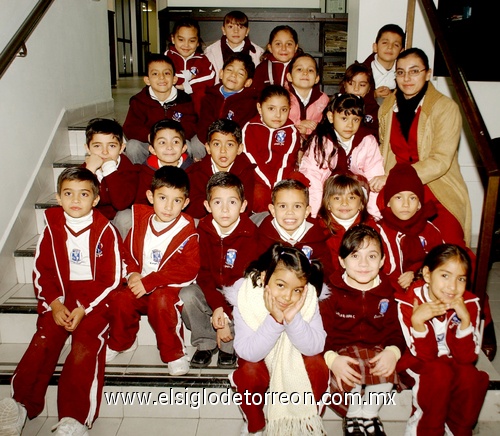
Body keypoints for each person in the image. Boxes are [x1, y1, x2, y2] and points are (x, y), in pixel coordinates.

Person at [0, 167, 122, 436]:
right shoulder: (51, 228)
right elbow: (42, 271)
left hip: (93, 301)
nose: (75, 200)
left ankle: (73, 418)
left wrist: (83, 307)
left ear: (96, 198)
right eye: (68, 194)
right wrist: (54, 304)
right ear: (58, 197)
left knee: (83, 347)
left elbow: (111, 279)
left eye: (83, 194)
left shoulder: (105, 230)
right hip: (59, 297)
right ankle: (20, 404)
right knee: (44, 338)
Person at [370, 47, 472, 248]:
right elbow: (383, 150)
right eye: (400, 72)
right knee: (381, 241)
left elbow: (441, 161)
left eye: (414, 71)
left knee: (449, 245)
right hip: (396, 187)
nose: (407, 78)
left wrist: (394, 178)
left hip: (435, 186)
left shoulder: (445, 108)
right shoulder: (388, 106)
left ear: (428, 73)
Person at [105, 166, 200, 376]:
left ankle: (174, 354)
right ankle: (122, 342)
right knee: (120, 299)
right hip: (141, 284)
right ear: (151, 196)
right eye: (163, 198)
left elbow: (188, 269)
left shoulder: (187, 231)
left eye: (177, 201)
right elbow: (127, 253)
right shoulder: (141, 221)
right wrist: (132, 274)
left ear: (185, 203)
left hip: (168, 289)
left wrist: (151, 281)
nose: (168, 206)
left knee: (161, 301)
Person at [226, 243, 329, 435]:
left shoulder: (308, 297)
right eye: (280, 285)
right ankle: (255, 425)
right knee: (249, 372)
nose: (288, 296)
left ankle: (305, 423)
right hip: (260, 357)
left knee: (317, 367)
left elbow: (315, 346)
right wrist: (274, 320)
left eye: (297, 289)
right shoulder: (247, 295)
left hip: (294, 358)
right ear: (265, 278)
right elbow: (248, 351)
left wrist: (293, 318)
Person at [395, 244, 489, 435]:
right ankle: (425, 428)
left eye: (461, 279)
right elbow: (424, 355)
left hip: (453, 361)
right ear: (428, 275)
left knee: (471, 378)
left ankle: (458, 428)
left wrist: (465, 322)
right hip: (418, 362)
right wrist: (418, 322)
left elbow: (467, 357)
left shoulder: (469, 303)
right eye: (445, 275)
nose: (452, 287)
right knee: (438, 374)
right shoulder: (408, 302)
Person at [320, 224, 405, 436]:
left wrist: (392, 353)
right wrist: (332, 360)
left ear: (383, 261)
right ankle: (352, 416)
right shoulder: (331, 293)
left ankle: (368, 413)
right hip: (341, 352)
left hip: (375, 349)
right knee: (348, 377)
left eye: (372, 256)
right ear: (342, 261)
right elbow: (320, 334)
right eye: (355, 256)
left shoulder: (388, 293)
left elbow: (396, 331)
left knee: (387, 374)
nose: (364, 264)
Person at [180, 172, 258, 369]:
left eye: (232, 202)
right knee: (187, 293)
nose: (224, 209)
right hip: (211, 293)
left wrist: (224, 314)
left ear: (243, 206)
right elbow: (203, 274)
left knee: (250, 297)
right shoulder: (203, 231)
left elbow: (246, 283)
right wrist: (217, 308)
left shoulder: (251, 235)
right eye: (217, 203)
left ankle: (227, 344)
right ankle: (205, 342)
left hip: (239, 297)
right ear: (207, 206)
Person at [299, 93, 384, 219]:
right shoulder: (321, 140)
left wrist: (374, 215)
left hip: (356, 196)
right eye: (344, 118)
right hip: (327, 197)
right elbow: (312, 177)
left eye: (355, 120)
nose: (350, 125)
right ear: (331, 117)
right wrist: (314, 214)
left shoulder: (367, 140)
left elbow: (374, 178)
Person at [377, 163, 444, 292]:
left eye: (412, 198)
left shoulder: (429, 230)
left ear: (419, 204)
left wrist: (417, 273)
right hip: (388, 292)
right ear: (388, 202)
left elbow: (440, 262)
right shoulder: (379, 231)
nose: (406, 204)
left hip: (423, 288)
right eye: (398, 197)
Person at [123, 53, 197, 164]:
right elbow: (130, 127)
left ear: (174, 79)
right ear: (147, 80)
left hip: (175, 142)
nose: (161, 77)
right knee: (133, 146)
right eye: (155, 74)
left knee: (188, 146)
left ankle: (180, 176)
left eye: (167, 73)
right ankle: (140, 174)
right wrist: (151, 136)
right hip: (149, 142)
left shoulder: (184, 100)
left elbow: (192, 124)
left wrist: (174, 136)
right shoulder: (139, 101)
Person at [258, 178, 334, 282]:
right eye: (283, 206)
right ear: (272, 210)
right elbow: (255, 269)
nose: (290, 212)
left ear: (307, 211)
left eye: (297, 206)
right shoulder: (262, 237)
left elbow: (326, 273)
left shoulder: (316, 237)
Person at [242, 84, 301, 213]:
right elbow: (251, 158)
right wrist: (269, 183)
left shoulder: (291, 131)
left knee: (297, 185)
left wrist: (278, 184)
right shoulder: (250, 128)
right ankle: (264, 223)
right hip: (257, 175)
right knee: (259, 196)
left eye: (284, 110)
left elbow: (288, 159)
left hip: (284, 174)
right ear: (259, 107)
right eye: (271, 109)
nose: (278, 115)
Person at [186, 119, 256, 219]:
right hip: (206, 221)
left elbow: (246, 208)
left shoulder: (245, 170)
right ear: (208, 148)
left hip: (235, 222)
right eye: (217, 144)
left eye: (230, 144)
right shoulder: (196, 172)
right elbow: (193, 208)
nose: (223, 150)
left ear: (239, 149)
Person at [82, 117, 139, 240]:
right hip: (94, 220)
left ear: (122, 148)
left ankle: (124, 257)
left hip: (117, 221)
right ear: (87, 148)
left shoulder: (129, 170)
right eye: (97, 146)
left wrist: (110, 170)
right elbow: (81, 202)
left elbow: (121, 204)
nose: (104, 152)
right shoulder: (83, 171)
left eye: (112, 146)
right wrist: (89, 171)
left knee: (126, 217)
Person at [196, 52, 258, 144]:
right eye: (229, 70)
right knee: (194, 144)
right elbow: (203, 126)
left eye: (240, 74)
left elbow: (240, 132)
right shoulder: (209, 97)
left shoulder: (249, 103)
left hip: (233, 144)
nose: (233, 75)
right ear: (221, 73)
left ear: (247, 82)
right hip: (208, 141)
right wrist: (213, 144)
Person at [317, 173, 377, 265]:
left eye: (351, 197)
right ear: (328, 204)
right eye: (337, 198)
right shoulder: (319, 229)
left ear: (361, 204)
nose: (344, 203)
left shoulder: (372, 227)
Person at [135, 119, 193, 205]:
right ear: (152, 149)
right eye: (162, 142)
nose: (169, 147)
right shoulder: (146, 173)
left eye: (175, 142)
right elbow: (141, 203)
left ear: (184, 148)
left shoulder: (192, 170)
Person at [165, 17, 215, 115]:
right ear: (173, 39)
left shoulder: (201, 59)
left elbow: (210, 76)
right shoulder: (167, 56)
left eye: (191, 41)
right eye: (181, 40)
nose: (186, 45)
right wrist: (188, 75)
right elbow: (167, 75)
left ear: (197, 43)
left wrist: (187, 85)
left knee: (203, 94)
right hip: (172, 100)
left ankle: (198, 124)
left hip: (194, 104)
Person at [204, 10, 264, 83]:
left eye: (241, 27)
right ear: (223, 30)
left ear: (247, 31)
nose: (236, 31)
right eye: (230, 27)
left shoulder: (258, 54)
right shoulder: (211, 52)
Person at [286, 53, 329, 138]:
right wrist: (298, 123)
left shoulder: (323, 100)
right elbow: (277, 119)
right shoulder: (282, 97)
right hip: (286, 139)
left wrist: (308, 131)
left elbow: (326, 125)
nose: (305, 73)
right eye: (299, 69)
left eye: (310, 70)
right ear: (289, 76)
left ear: (317, 78)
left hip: (313, 141)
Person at [361, 24, 405, 104]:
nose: (390, 47)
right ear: (375, 47)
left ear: (401, 51)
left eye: (396, 45)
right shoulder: (360, 71)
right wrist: (373, 94)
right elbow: (349, 97)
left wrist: (394, 96)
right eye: (385, 43)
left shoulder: (405, 74)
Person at [251, 25, 300, 94]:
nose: (283, 48)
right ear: (270, 48)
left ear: (295, 47)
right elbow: (255, 94)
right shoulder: (262, 68)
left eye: (289, 44)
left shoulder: (303, 67)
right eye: (278, 44)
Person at [340, 62, 379, 140]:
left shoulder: (375, 110)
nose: (356, 89)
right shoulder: (336, 106)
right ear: (344, 85)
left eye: (362, 85)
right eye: (351, 83)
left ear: (369, 88)